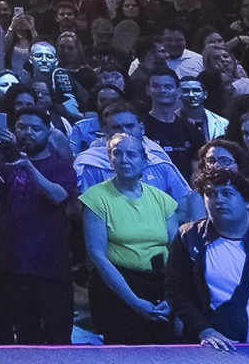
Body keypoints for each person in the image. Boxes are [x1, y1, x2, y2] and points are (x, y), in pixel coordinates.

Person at [0, 108, 78, 342]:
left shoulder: (60, 166)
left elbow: (57, 196)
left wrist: (27, 166)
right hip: (13, 265)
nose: (28, 133)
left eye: (36, 128)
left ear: (48, 133)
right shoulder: (4, 164)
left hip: (52, 267)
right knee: (25, 338)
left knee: (59, 339)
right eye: (22, 127)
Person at [82, 130, 178, 344]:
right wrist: (134, 301)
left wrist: (171, 298)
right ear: (110, 160)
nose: (124, 159)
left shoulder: (163, 200)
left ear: (144, 161)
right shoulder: (96, 198)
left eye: (131, 154)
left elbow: (177, 253)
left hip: (160, 284)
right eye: (117, 153)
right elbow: (97, 256)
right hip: (117, 288)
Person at [167, 163, 249, 348]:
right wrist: (204, 330)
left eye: (227, 193)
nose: (218, 200)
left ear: (247, 202)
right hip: (212, 349)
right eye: (210, 194)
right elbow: (176, 291)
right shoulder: (190, 237)